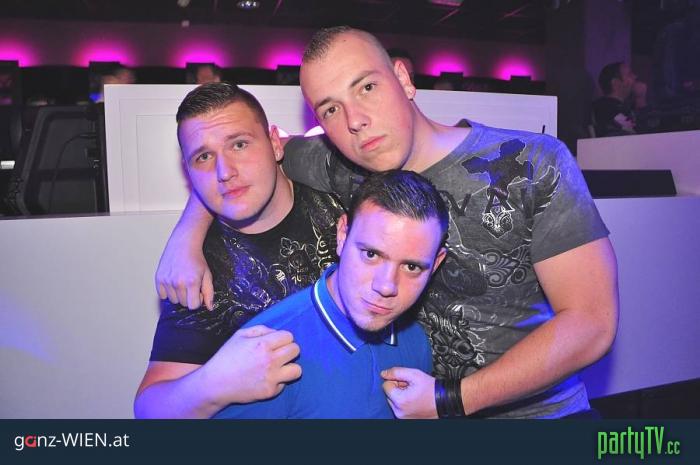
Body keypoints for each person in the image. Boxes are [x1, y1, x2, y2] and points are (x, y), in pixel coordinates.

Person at [157, 26, 619, 419]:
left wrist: (451, 400)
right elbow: (237, 164)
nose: (355, 121)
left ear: (403, 78)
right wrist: (188, 234)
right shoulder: (337, 163)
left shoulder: (531, 163)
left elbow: (591, 322)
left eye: (366, 88)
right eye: (330, 109)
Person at [134, 82, 344, 418]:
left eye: (239, 144)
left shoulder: (339, 197)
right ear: (189, 172)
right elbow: (150, 409)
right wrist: (217, 381)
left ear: (275, 143)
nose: (225, 172)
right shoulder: (201, 270)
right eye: (204, 157)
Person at [215, 170, 445, 418]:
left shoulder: (415, 339)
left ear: (436, 264)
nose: (386, 286)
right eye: (371, 254)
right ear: (342, 235)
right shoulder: (266, 355)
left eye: (411, 267)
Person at [592, 62, 647, 137]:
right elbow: (637, 132)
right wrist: (640, 99)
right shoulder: (607, 109)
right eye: (629, 74)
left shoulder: (616, 107)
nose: (635, 77)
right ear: (616, 83)